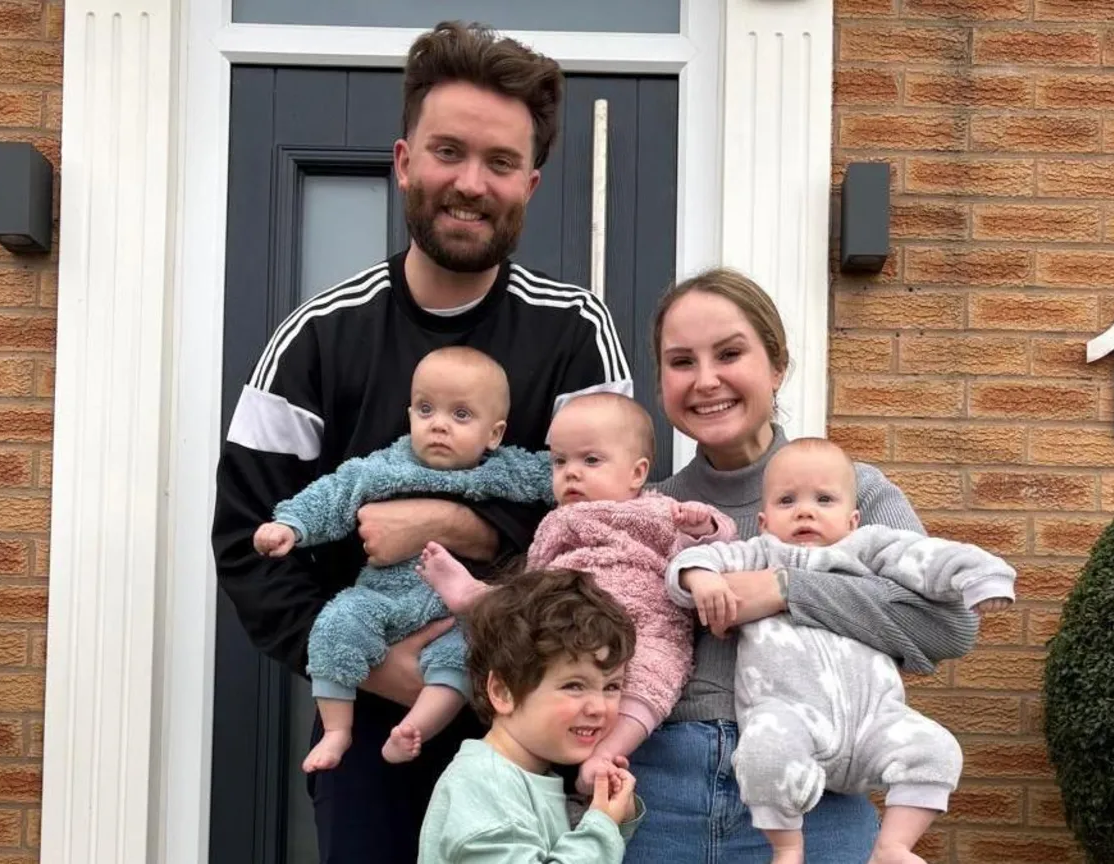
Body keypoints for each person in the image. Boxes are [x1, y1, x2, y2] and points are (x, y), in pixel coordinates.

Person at [210, 20, 631, 862]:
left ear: (532, 183)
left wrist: (458, 527)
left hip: (540, 742)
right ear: (404, 161)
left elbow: (610, 520)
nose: (471, 183)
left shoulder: (576, 332)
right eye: (448, 152)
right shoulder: (315, 338)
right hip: (372, 728)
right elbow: (246, 540)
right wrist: (381, 671)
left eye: (501, 163)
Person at [620, 268, 982, 863]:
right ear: (660, 381)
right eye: (681, 361)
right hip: (656, 797)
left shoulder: (854, 494)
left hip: (816, 797)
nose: (706, 380)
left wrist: (783, 588)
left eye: (730, 353)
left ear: (777, 365)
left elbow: (948, 625)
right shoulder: (646, 513)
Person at [666, 437, 1017, 864]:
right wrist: (702, 580)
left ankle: (893, 847)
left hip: (875, 718)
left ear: (853, 519)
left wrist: (983, 578)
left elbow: (929, 560)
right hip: (790, 716)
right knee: (766, 753)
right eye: (787, 501)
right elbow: (695, 560)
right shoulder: (759, 551)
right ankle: (788, 849)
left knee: (937, 749)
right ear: (762, 521)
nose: (805, 510)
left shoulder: (869, 547)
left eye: (824, 500)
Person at [253, 347, 554, 772]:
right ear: (409, 413)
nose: (439, 426)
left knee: (463, 654)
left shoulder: (504, 471)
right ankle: (338, 729)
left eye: (461, 415)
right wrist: (290, 526)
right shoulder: (384, 468)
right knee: (338, 620)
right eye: (426, 410)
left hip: (457, 609)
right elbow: (332, 496)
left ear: (495, 433)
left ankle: (415, 727)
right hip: (385, 598)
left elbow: (560, 476)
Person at [416, 391, 736, 790]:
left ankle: (604, 756)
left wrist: (702, 524)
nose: (571, 473)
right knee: (526, 635)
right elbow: (535, 577)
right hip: (568, 618)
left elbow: (717, 546)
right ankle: (476, 596)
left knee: (658, 674)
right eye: (560, 461)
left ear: (637, 473)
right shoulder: (556, 522)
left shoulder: (656, 511)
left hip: (643, 625)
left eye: (590, 460)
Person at [417, 567, 643, 863]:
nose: (599, 707)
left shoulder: (519, 777)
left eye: (612, 686)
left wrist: (613, 822)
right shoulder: (485, 785)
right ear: (503, 692)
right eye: (574, 685)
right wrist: (601, 827)